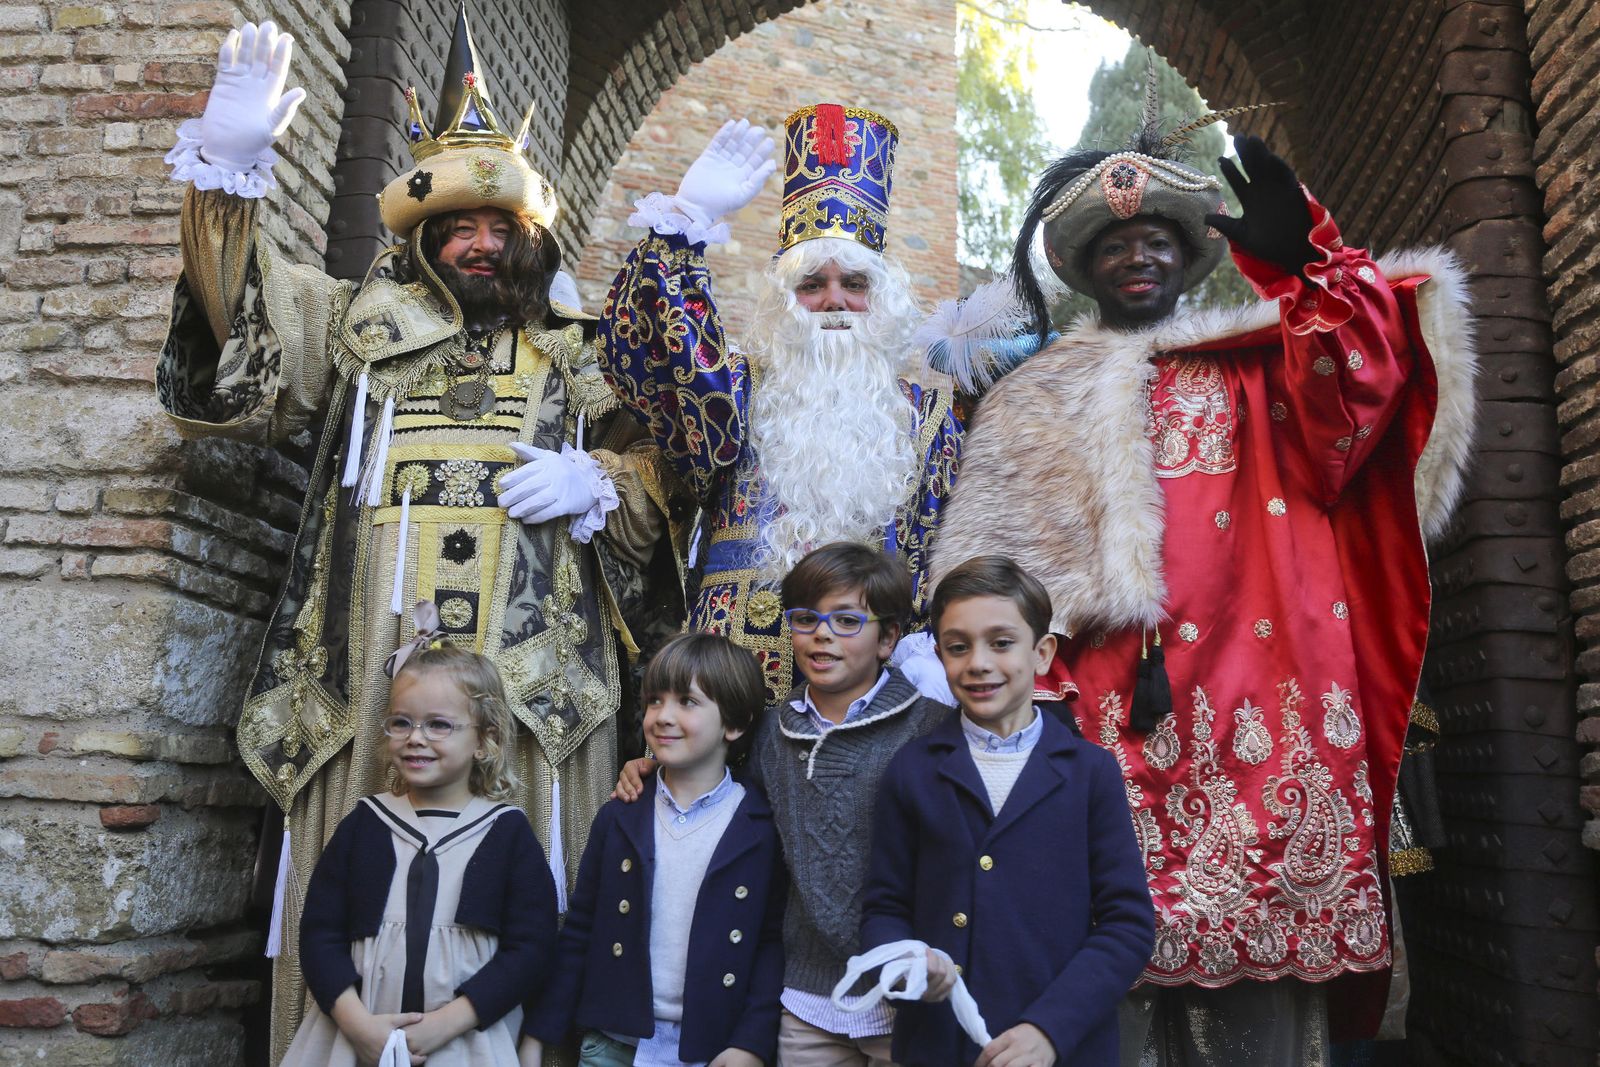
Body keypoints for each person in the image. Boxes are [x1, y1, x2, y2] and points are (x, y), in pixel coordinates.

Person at [154, 15, 685, 1056]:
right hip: (369, 682)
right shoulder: (359, 329)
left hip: (531, 692)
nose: (478, 243)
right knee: (355, 903)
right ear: (421, 236)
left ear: (529, 237)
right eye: (455, 227)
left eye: (497, 226)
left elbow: (664, 492)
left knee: (522, 916)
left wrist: (602, 480)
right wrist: (226, 176)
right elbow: (243, 338)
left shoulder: (581, 356)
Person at [929, 88, 1477, 1063]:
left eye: (1155, 242)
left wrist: (1304, 260)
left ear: (1189, 256)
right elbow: (992, 574)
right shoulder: (1030, 397)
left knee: (1265, 992)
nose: (1135, 256)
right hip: (1100, 714)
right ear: (1081, 267)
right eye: (1111, 245)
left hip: (1261, 706)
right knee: (1109, 955)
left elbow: (1361, 378)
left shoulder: (1262, 363)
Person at [598, 106, 962, 702]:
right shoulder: (739, 391)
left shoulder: (928, 417)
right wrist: (685, 227)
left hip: (871, 689)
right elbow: (642, 361)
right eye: (812, 285)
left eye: (855, 285)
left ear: (883, 299)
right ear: (785, 299)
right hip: (725, 683)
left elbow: (941, 557)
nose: (834, 302)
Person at [617, 541, 952, 1066]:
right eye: (806, 618)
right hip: (806, 997)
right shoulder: (773, 732)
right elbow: (723, 799)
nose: (822, 633)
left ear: (888, 637)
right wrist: (652, 767)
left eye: (846, 621)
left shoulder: (931, 727)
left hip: (902, 987)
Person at [859, 555, 1155, 1067]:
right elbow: (884, 909)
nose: (978, 662)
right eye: (958, 647)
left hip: (1062, 1048)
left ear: (1041, 653)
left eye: (1001, 643)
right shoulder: (912, 770)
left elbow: (1126, 925)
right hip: (940, 1045)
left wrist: (1049, 1030)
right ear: (939, 655)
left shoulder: (1090, 773)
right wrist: (908, 966)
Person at [282, 626, 557, 1066]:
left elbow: (531, 950)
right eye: (402, 722)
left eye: (439, 725)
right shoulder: (365, 824)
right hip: (356, 1040)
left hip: (465, 1043)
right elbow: (320, 934)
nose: (415, 737)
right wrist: (358, 1025)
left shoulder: (507, 833)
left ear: (486, 742)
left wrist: (446, 1024)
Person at [522, 632, 785, 1067]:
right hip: (614, 1044)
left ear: (735, 724)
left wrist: (751, 1044)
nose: (663, 716)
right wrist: (538, 1034)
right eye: (654, 701)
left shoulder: (759, 825)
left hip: (713, 1049)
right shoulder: (620, 814)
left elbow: (770, 944)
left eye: (687, 702)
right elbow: (581, 929)